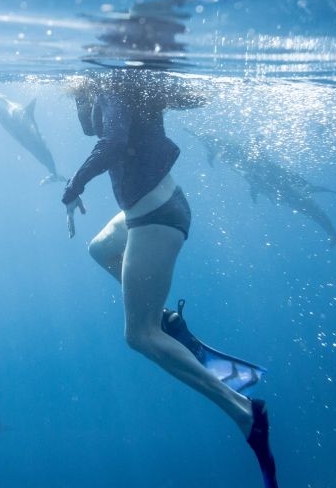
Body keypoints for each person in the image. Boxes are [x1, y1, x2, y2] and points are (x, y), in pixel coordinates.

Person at [62, 71, 278, 488]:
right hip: (150, 211)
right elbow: (94, 127)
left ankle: (245, 414)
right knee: (100, 250)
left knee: (138, 336)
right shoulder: (111, 85)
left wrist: (73, 186)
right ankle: (170, 325)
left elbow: (111, 144)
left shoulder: (114, 80)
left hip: (155, 220)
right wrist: (79, 91)